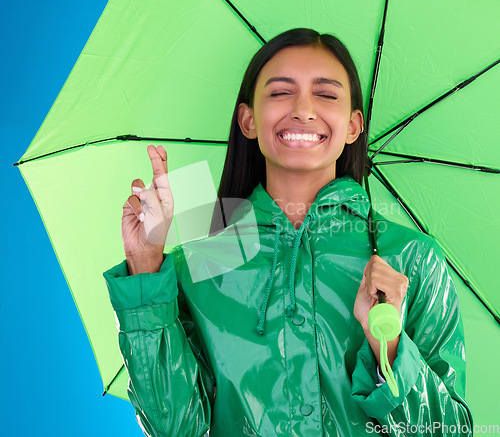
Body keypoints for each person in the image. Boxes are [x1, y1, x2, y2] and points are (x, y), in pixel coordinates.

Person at [103, 28, 473, 436]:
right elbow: (176, 427)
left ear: (353, 126)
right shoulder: (203, 262)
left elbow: (451, 431)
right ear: (248, 120)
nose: (303, 109)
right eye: (281, 92)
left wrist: (387, 347)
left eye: (327, 95)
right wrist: (144, 264)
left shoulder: (410, 258)